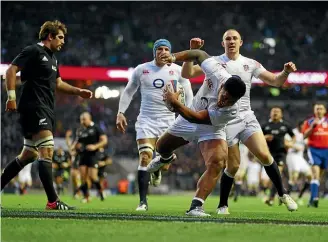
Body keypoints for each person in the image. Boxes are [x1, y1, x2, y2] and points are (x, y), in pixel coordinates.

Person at [180, 30, 298, 214]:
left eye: (235, 38)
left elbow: (275, 81)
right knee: (233, 166)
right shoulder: (215, 62)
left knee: (265, 156)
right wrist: (191, 53)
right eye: (228, 38)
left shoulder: (250, 64)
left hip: (246, 117)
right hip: (226, 120)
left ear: (241, 42)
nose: (231, 41)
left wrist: (285, 72)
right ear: (223, 43)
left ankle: (283, 194)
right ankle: (223, 205)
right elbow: (188, 74)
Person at [1, 20, 92, 210]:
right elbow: (10, 70)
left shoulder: (53, 58)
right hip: (34, 107)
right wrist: (11, 97)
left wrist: (78, 91)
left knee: (28, 154)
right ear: (49, 36)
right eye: (60, 37)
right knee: (47, 150)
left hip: (46, 109)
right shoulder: (34, 51)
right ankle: (53, 201)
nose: (63, 41)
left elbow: (58, 84)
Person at [146, 48, 248, 217]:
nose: (224, 101)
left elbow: (197, 118)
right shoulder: (217, 73)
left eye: (230, 101)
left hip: (209, 126)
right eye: (224, 96)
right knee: (161, 147)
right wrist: (173, 57)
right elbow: (198, 54)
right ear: (222, 85)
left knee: (217, 162)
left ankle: (196, 206)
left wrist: (175, 103)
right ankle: (165, 158)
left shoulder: (231, 111)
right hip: (188, 116)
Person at [116, 39, 193, 211]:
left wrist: (188, 114)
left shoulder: (177, 70)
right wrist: (121, 113)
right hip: (146, 121)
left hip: (169, 121)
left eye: (166, 49)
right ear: (155, 52)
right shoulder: (142, 69)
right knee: (145, 157)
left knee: (165, 163)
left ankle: (158, 166)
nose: (163, 51)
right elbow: (128, 91)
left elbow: (188, 93)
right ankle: (143, 202)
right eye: (160, 49)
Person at [302, 78, 328, 207]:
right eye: (316, 109)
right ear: (314, 111)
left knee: (318, 176)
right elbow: (304, 136)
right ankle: (316, 198)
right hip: (314, 150)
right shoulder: (309, 122)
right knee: (315, 174)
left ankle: (312, 199)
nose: (318, 110)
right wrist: (312, 128)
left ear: (324, 111)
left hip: (325, 151)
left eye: (321, 109)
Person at [261, 107, 296, 206]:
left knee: (277, 174)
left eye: (277, 112)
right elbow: (257, 138)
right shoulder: (265, 126)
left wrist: (290, 143)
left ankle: (271, 198)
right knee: (272, 177)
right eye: (273, 112)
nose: (275, 113)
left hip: (281, 153)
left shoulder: (285, 125)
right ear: (270, 114)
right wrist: (265, 137)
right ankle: (282, 194)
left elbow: (293, 136)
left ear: (281, 114)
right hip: (268, 154)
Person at [75, 112, 108, 203]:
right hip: (83, 154)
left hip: (93, 155)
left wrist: (95, 146)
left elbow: (105, 140)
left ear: (89, 118)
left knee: (93, 177)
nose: (82, 121)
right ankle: (86, 197)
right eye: (81, 119)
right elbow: (77, 142)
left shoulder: (96, 128)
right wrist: (75, 147)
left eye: (84, 119)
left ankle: (101, 191)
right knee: (83, 177)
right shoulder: (80, 130)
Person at [285, 121, 312, 205]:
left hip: (300, 158)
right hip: (292, 156)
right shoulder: (292, 132)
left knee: (310, 176)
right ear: (299, 126)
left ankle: (299, 196)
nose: (304, 127)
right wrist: (294, 146)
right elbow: (285, 143)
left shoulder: (305, 135)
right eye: (303, 126)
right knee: (294, 176)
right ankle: (286, 197)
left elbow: (307, 145)